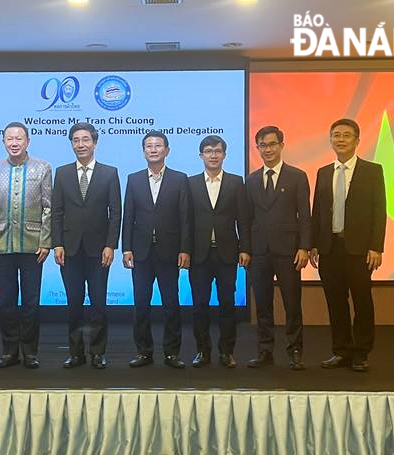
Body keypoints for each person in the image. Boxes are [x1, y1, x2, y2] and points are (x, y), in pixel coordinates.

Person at [310, 118, 386, 372]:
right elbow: (318, 212)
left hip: (360, 250)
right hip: (329, 248)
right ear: (330, 140)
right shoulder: (323, 172)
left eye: (346, 135)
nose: (340, 139)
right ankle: (340, 351)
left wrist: (377, 247)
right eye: (336, 135)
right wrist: (313, 244)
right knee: (335, 301)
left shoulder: (372, 171)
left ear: (357, 140)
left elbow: (379, 211)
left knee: (362, 300)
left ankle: (361, 353)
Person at [0, 122, 52, 369]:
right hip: (2, 246)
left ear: (27, 141)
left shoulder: (42, 168)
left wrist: (46, 241)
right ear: (3, 142)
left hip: (34, 247)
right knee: (7, 302)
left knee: (31, 303)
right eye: (9, 139)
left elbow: (48, 208)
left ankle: (30, 352)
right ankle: (9, 351)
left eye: (19, 138)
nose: (14, 143)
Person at [52, 122, 121, 369]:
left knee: (99, 304)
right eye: (76, 140)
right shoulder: (61, 173)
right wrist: (56, 243)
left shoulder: (110, 173)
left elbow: (116, 213)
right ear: (72, 144)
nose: (81, 145)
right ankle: (76, 353)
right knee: (73, 303)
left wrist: (110, 245)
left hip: (98, 250)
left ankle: (98, 352)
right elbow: (57, 212)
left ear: (94, 142)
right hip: (69, 249)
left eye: (85, 140)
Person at [122, 131, 192, 369]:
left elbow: (185, 217)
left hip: (169, 250)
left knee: (171, 303)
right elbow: (128, 215)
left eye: (158, 146)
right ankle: (144, 352)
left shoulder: (180, 179)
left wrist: (185, 249)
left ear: (167, 150)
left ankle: (172, 353)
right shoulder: (133, 179)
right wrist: (126, 248)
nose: (153, 150)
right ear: (143, 152)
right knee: (141, 304)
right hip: (140, 252)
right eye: (149, 146)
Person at [245, 126, 311, 371]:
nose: (268, 149)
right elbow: (246, 218)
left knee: (292, 304)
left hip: (289, 252)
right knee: (262, 304)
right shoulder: (251, 180)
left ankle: (295, 351)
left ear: (282, 145)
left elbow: (305, 215)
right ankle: (265, 351)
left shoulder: (297, 176)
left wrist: (304, 247)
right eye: (263, 145)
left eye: (272, 144)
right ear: (258, 148)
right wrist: (247, 249)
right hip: (259, 252)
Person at [187, 135, 250, 369]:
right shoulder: (190, 183)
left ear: (224, 155)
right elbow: (186, 221)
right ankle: (202, 351)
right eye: (208, 151)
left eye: (217, 151)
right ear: (201, 155)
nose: (213, 155)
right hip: (198, 254)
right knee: (199, 304)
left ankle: (226, 352)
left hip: (227, 253)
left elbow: (243, 220)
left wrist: (245, 248)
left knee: (227, 304)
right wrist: (184, 250)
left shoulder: (236, 182)